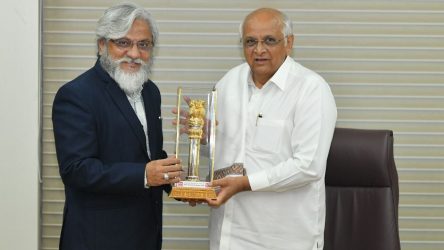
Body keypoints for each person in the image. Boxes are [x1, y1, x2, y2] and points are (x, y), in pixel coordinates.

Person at [201, 8, 337, 250]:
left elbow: (308, 166)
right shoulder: (228, 83)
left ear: (289, 43)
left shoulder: (311, 89)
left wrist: (246, 183)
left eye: (269, 41)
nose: (259, 50)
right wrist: (205, 141)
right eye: (250, 41)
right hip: (228, 234)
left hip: (283, 238)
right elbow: (226, 155)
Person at [52, 3, 183, 250]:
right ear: (102, 45)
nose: (134, 53)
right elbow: (77, 169)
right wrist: (145, 174)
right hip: (98, 239)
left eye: (143, 44)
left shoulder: (150, 91)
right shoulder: (76, 95)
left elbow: (147, 154)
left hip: (146, 236)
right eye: (123, 42)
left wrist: (176, 182)